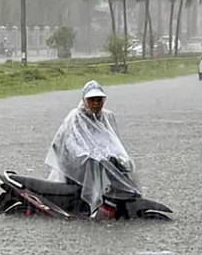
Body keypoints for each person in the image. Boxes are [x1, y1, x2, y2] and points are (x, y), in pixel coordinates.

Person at [45, 80, 135, 217]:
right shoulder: (75, 117)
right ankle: (86, 209)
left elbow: (113, 140)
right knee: (89, 171)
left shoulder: (106, 116)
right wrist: (86, 154)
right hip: (73, 165)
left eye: (99, 99)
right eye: (92, 99)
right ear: (84, 100)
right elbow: (69, 143)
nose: (96, 103)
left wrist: (119, 156)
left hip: (96, 161)